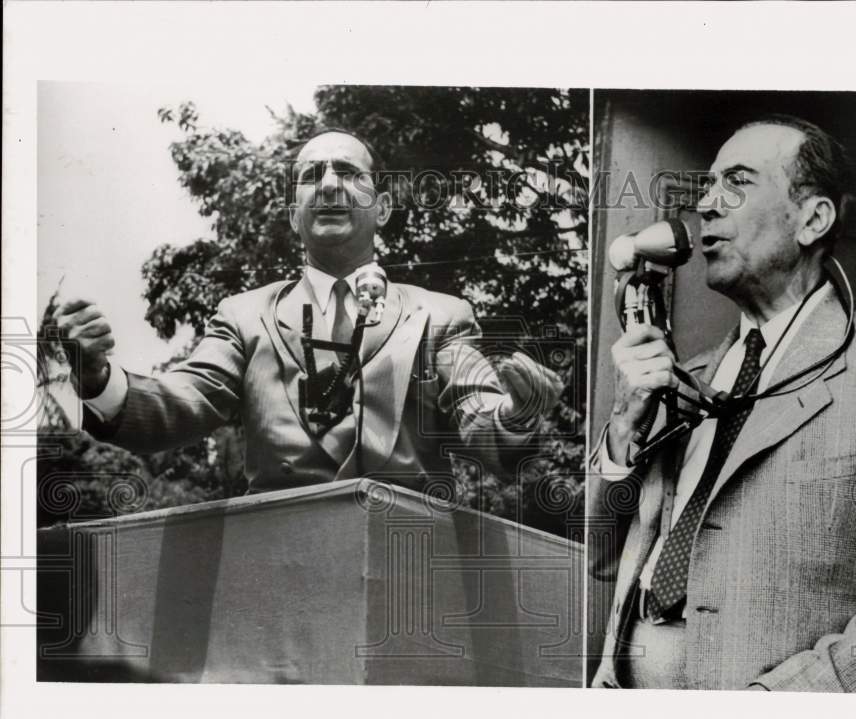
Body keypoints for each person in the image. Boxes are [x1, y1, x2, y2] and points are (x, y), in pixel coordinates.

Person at [590, 115, 856, 692]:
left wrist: (770, 711)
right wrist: (621, 430)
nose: (706, 205)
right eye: (708, 185)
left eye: (737, 182)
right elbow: (603, 559)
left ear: (813, 219)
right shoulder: (686, 378)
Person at [55, 128, 563, 494]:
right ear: (292, 213)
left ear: (383, 207)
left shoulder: (441, 316)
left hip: (408, 567)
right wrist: (98, 378)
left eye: (348, 172)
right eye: (311, 175)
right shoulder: (242, 317)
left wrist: (516, 413)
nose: (329, 185)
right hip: (282, 570)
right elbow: (180, 403)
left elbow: (481, 419)